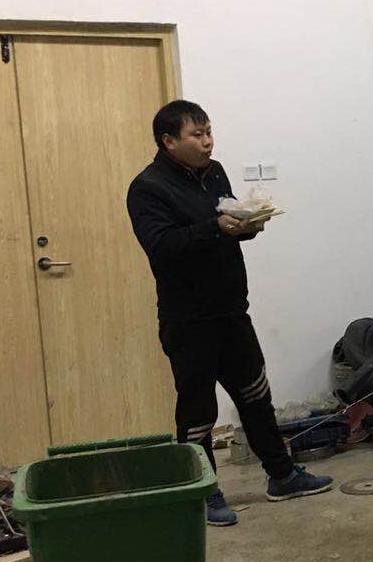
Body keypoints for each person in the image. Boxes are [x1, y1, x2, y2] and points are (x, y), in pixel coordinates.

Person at [127, 100, 332, 526]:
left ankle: (282, 475)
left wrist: (247, 225)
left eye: (209, 132)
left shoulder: (214, 171)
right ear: (168, 141)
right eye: (196, 135)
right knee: (198, 412)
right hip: (188, 321)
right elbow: (163, 247)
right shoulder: (148, 188)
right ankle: (203, 492)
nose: (208, 142)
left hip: (232, 311)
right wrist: (216, 228)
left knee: (256, 396)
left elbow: (227, 223)